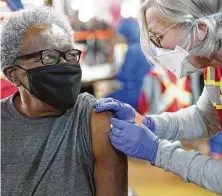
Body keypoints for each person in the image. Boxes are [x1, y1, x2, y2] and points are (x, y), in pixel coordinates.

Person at [94, 0, 222, 194]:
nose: (159, 48)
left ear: (201, 29)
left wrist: (158, 152)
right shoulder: (214, 69)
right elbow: (205, 118)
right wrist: (148, 123)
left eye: (159, 36)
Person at [1, 7, 127, 196]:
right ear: (14, 75)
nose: (64, 65)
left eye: (69, 55)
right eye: (49, 57)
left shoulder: (96, 120)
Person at [107, 18, 152, 109]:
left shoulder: (132, 50)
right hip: (148, 93)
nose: (120, 37)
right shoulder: (147, 47)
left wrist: (117, 72)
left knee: (102, 102)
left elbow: (124, 76)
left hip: (134, 94)